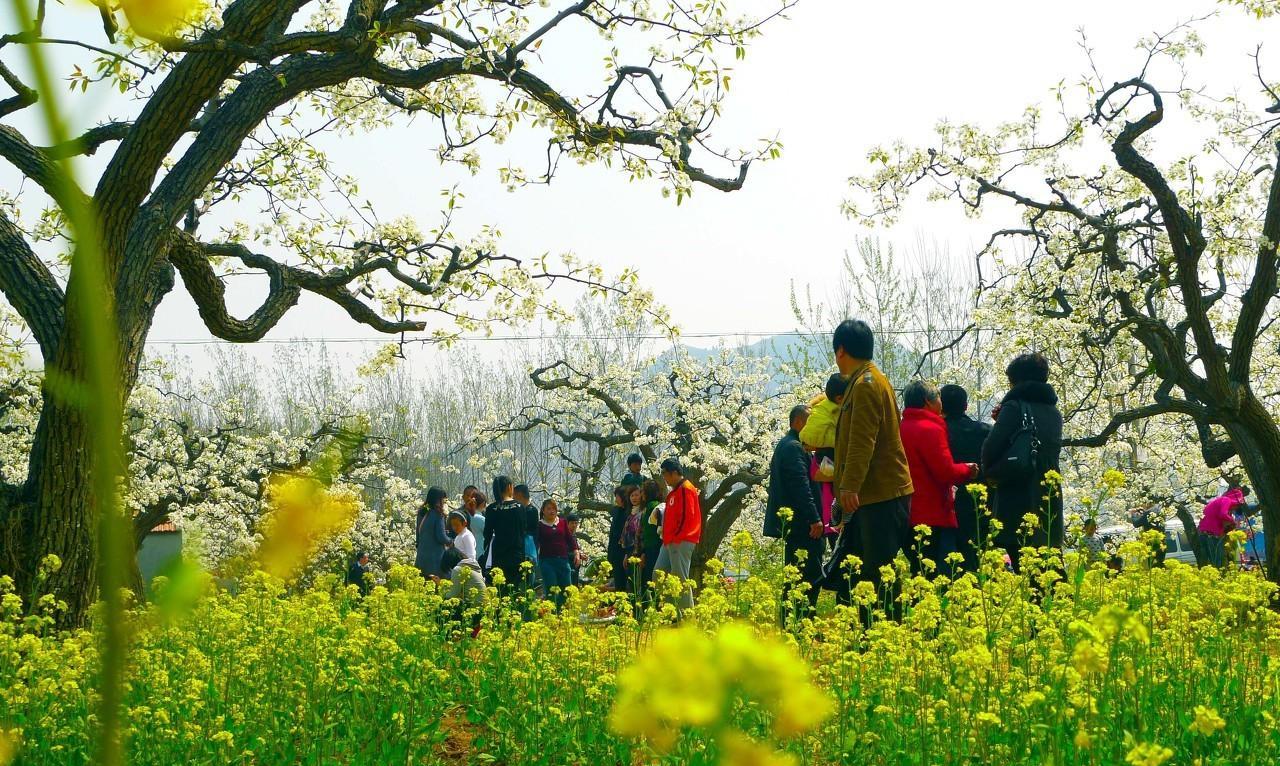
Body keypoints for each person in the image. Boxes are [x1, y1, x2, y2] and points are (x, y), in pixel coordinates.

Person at [822, 319, 913, 612]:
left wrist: (849, 485)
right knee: (866, 570)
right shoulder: (868, 380)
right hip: (877, 494)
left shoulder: (865, 385)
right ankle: (870, 634)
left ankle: (884, 635)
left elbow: (863, 441)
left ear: (841, 351)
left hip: (880, 494)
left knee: (876, 571)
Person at [981, 352, 1064, 572]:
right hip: (1048, 493)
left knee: (1026, 561)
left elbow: (992, 447)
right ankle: (1058, 604)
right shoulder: (1053, 411)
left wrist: (989, 472)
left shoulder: (1015, 407)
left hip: (1021, 492)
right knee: (1049, 561)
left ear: (1017, 380)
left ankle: (1040, 604)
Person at [899, 381, 978, 579]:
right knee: (939, 573)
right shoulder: (930, 429)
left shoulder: (900, 427)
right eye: (938, 397)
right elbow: (945, 472)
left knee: (919, 571)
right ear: (928, 401)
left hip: (905, 511)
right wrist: (968, 470)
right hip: (931, 513)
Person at [765, 404, 825, 615]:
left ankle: (795, 622)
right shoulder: (793, 447)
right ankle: (800, 621)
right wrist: (814, 518)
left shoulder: (791, 445)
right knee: (807, 575)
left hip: (797, 524)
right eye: (810, 422)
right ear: (798, 422)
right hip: (804, 525)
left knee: (797, 574)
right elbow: (800, 485)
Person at [940, 384, 991, 573]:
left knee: (949, 562)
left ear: (940, 406)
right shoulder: (986, 430)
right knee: (975, 559)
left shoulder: (939, 433)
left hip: (949, 505)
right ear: (966, 406)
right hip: (983, 504)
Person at [799, 373, 848, 547]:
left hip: (827, 475)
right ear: (840, 397)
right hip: (830, 474)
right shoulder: (832, 411)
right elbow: (809, 438)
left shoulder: (820, 408)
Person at [655, 457, 701, 612]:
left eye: (665, 474)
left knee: (680, 579)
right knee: (659, 575)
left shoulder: (686, 489)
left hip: (681, 539)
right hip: (669, 540)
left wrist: (676, 537)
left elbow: (687, 516)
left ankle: (687, 618)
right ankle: (671, 612)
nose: (664, 478)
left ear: (674, 473)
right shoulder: (674, 492)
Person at [483, 476, 530, 590]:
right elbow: (523, 531)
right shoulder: (519, 507)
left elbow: (487, 533)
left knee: (499, 588)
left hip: (498, 554)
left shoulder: (491, 508)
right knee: (514, 589)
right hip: (516, 553)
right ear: (509, 487)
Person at [535, 499, 575, 609]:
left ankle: (565, 616)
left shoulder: (562, 522)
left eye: (554, 509)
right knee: (551, 591)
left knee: (566, 590)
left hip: (563, 560)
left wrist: (576, 551)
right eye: (548, 509)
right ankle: (552, 617)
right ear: (543, 511)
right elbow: (536, 543)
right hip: (547, 562)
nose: (552, 511)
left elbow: (570, 539)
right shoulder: (539, 525)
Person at [443, 510, 486, 604]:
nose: (454, 528)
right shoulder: (459, 536)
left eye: (457, 525)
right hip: (460, 568)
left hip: (466, 568)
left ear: (465, 523)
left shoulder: (467, 536)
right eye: (452, 525)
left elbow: (471, 556)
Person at [1198, 486, 1248, 567]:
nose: (1236, 508)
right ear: (1236, 501)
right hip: (1211, 533)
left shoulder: (1221, 501)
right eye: (1238, 505)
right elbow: (1222, 514)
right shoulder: (1226, 500)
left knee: (1214, 560)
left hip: (1206, 532)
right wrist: (1233, 521)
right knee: (1218, 560)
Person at [415, 486, 450, 579]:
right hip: (435, 557)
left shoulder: (422, 512)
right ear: (438, 499)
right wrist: (451, 541)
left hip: (421, 555)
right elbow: (441, 537)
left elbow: (418, 535)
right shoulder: (438, 514)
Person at [639, 480, 664, 598]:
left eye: (643, 492)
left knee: (649, 580)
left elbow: (648, 531)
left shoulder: (652, 507)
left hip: (653, 548)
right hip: (653, 547)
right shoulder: (656, 505)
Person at [621, 486, 647, 595]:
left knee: (638, 583)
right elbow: (626, 536)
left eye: (636, 495)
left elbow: (643, 535)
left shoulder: (643, 513)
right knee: (631, 583)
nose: (634, 498)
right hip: (630, 552)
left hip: (639, 552)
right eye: (632, 495)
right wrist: (626, 555)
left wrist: (643, 553)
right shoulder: (630, 515)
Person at [514, 484, 541, 577]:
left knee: (528, 575)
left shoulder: (531, 510)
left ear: (520, 495)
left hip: (529, 549)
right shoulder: (523, 509)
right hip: (523, 549)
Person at [607, 485, 630, 591]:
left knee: (625, 581)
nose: (616, 499)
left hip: (624, 551)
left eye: (617, 496)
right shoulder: (616, 511)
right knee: (618, 582)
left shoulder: (629, 512)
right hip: (615, 550)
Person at [565, 512, 584, 586]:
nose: (574, 525)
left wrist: (581, 554)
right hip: (568, 566)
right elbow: (565, 552)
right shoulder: (565, 536)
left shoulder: (574, 535)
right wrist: (577, 555)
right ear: (567, 524)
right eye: (572, 523)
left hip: (575, 566)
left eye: (576, 523)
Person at [469, 490, 488, 562]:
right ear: (483, 503)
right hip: (480, 553)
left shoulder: (466, 516)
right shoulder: (480, 519)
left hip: (468, 554)